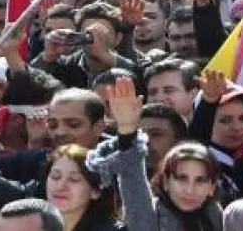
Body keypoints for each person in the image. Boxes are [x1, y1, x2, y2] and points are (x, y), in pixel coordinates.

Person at [89, 77, 223, 231]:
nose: (189, 190)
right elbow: (132, 173)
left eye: (200, 180)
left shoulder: (214, 214)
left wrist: (209, 103)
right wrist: (127, 131)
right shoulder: (150, 216)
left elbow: (197, 146)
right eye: (181, 178)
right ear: (165, 181)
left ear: (212, 187)